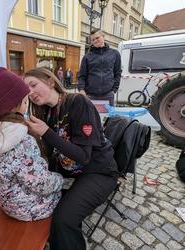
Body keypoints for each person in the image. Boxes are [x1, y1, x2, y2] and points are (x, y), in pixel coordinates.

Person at [24, 67, 118, 250]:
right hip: (70, 169)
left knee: (63, 220)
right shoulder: (48, 112)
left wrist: (46, 132)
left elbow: (83, 156)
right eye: (26, 90)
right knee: (32, 200)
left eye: (33, 85)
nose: (30, 92)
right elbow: (51, 151)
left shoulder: (78, 102)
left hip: (98, 171)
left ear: (51, 81)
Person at [0, 67, 63, 221]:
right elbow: (39, 182)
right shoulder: (21, 141)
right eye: (24, 101)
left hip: (6, 204)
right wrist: (59, 179)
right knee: (64, 194)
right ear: (13, 105)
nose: (26, 105)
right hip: (30, 208)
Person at [77, 29, 122, 106]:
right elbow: (81, 75)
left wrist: (114, 90)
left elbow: (117, 73)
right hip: (90, 95)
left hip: (108, 95)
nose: (95, 41)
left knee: (108, 117)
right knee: (91, 117)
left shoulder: (114, 54)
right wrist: (81, 89)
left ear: (103, 37)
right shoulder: (87, 56)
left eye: (97, 38)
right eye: (93, 39)